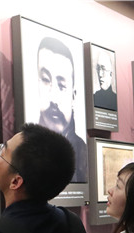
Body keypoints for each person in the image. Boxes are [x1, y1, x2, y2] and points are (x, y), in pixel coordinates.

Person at [36, 37, 88, 183]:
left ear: (73, 96)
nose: (53, 97)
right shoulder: (25, 148)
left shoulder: (82, 151)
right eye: (46, 80)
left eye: (62, 85)